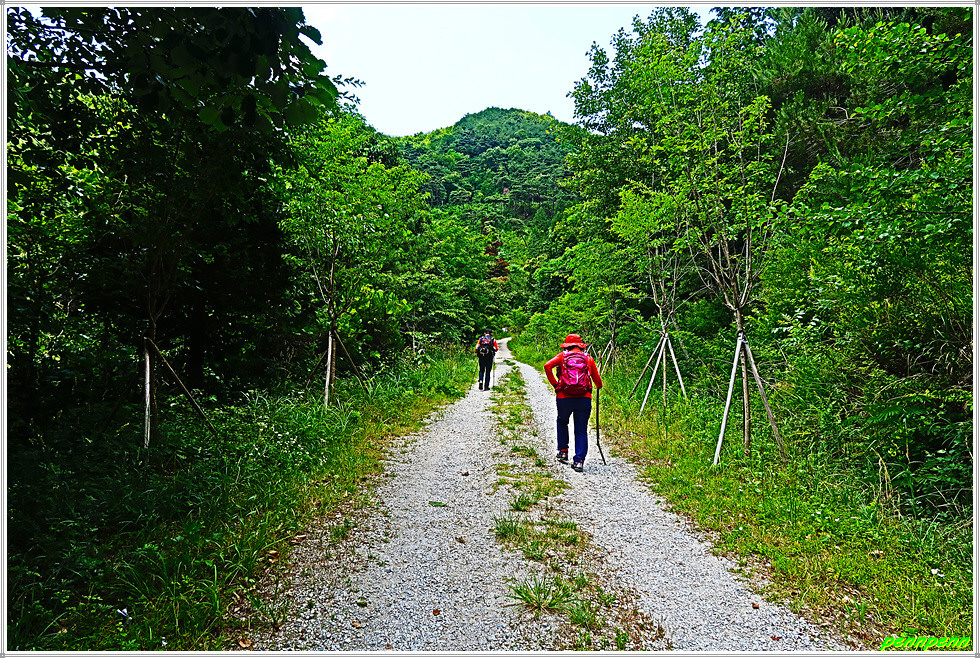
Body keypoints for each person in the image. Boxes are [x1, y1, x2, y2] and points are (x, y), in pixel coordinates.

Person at [544, 333, 602, 472]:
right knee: (581, 429)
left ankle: (563, 451)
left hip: (564, 397)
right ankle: (579, 461)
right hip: (584, 397)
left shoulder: (562, 357)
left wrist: (555, 384)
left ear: (567, 345)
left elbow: (547, 366)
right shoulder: (588, 358)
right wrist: (599, 385)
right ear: (581, 345)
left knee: (562, 422)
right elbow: (597, 380)